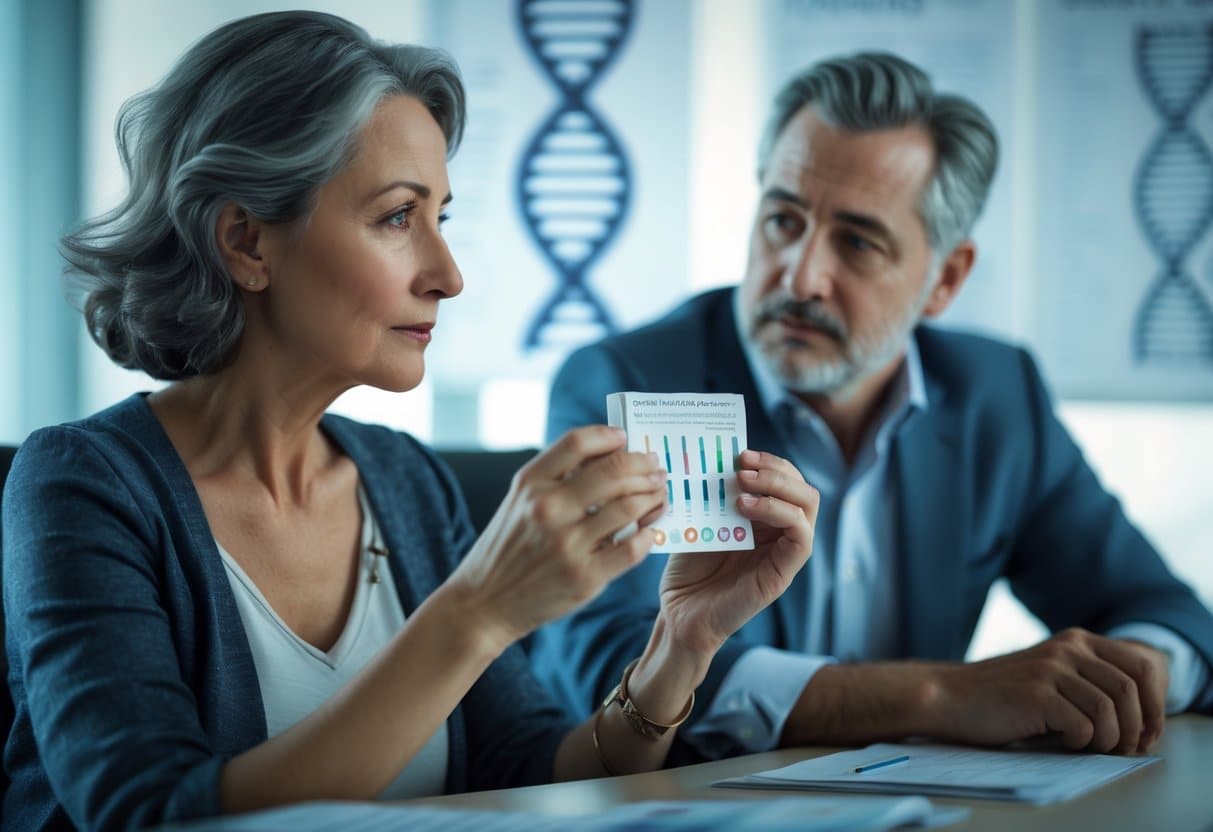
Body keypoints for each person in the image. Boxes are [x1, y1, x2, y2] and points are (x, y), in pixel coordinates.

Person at [0, 13, 821, 830]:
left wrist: (679, 645)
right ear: (247, 242)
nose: (447, 275)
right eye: (398, 217)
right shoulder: (80, 484)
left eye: (442, 218)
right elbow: (145, 814)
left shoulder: (407, 480)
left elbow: (534, 773)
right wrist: (479, 610)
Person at [531, 51, 1213, 765]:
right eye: (782, 220)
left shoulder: (994, 394)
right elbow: (600, 659)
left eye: (855, 242)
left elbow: (1167, 614)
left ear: (944, 278)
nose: (800, 275)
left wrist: (1134, 677)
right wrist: (938, 696)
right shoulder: (631, 383)